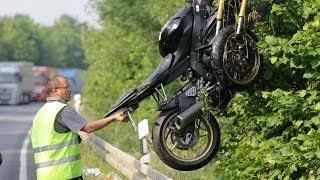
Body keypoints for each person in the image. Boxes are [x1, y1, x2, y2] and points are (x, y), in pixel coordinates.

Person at [31, 75, 128, 180]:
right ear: (55, 91)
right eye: (67, 87)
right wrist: (113, 118)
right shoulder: (62, 110)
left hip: (45, 176)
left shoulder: (41, 113)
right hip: (65, 174)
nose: (70, 90)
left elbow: (52, 139)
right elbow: (88, 128)